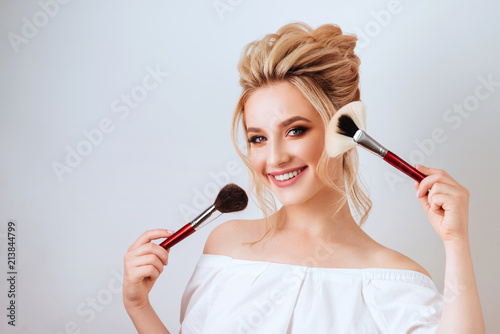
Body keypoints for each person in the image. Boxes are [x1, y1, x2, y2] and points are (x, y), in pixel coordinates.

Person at [123, 22, 485, 333]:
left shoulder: (394, 278)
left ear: (345, 129)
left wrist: (457, 243)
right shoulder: (227, 247)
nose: (275, 158)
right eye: (258, 138)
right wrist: (139, 306)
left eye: (295, 130)